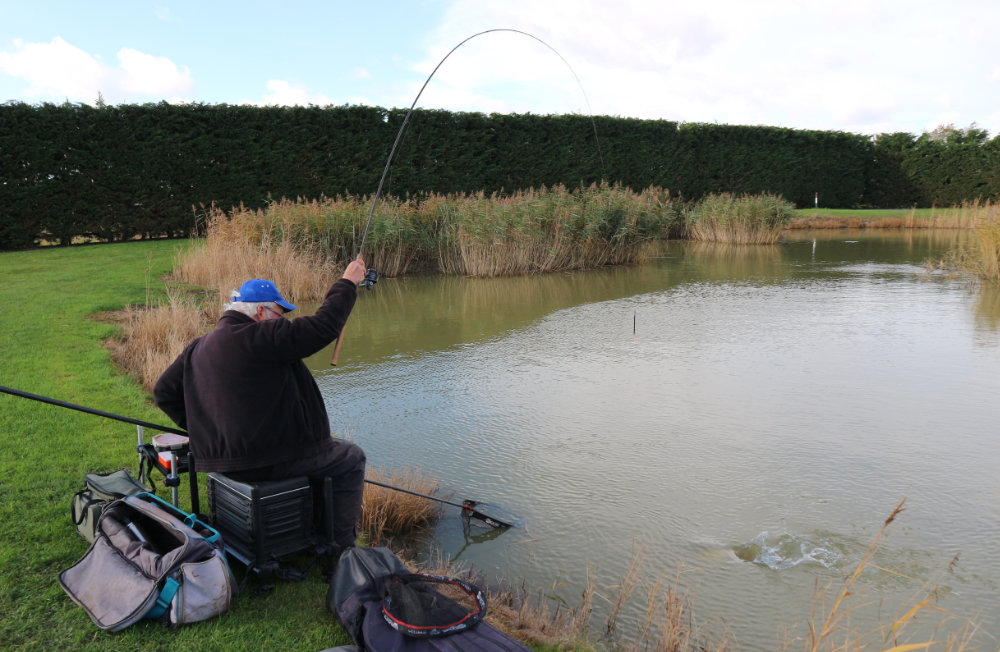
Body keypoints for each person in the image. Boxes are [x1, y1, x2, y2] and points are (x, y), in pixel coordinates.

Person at [153, 256, 368, 553]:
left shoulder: (198, 346)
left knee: (326, 453)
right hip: (267, 460)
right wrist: (347, 282)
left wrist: (205, 431)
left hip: (226, 462)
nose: (284, 321)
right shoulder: (262, 336)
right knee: (350, 458)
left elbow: (163, 392)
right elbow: (323, 326)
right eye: (280, 313)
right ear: (261, 312)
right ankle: (341, 550)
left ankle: (311, 533)